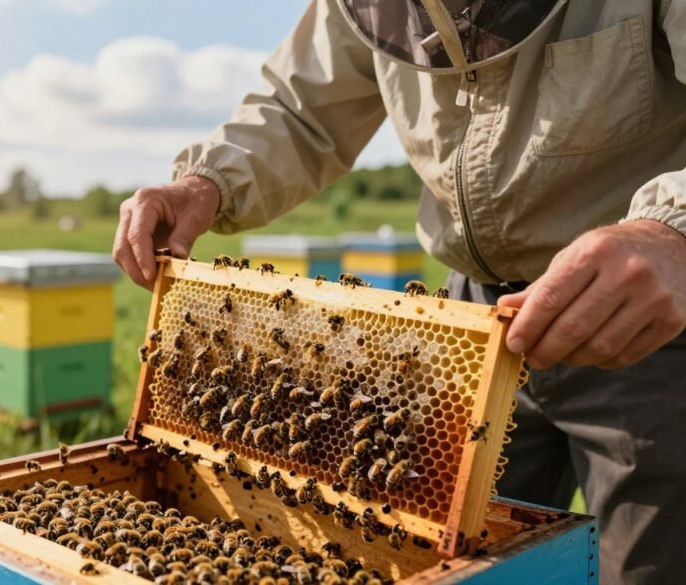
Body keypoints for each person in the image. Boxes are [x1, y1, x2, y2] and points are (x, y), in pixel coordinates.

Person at [111, 1, 686, 584]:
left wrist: (674, 229)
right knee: (450, 553)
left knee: (649, 568)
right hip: (474, 329)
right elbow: (299, 107)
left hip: (648, 320)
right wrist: (206, 180)